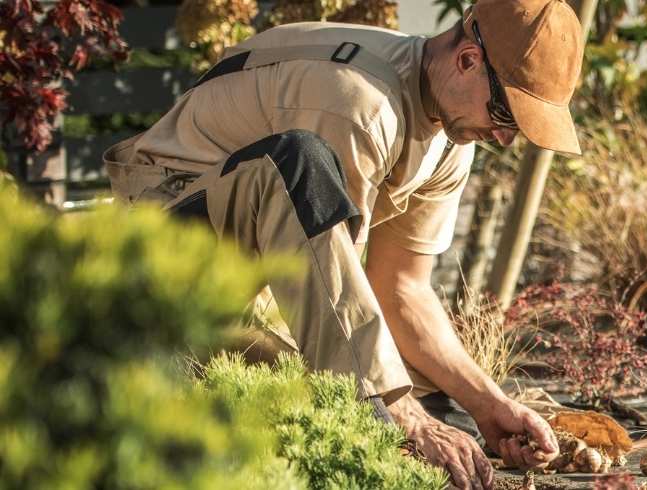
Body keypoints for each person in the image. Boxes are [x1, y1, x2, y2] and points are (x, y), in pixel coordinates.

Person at [101, 0, 584, 488]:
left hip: (257, 286)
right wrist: (402, 413)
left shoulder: (449, 137)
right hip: (162, 259)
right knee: (299, 167)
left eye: (518, 129)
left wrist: (487, 403)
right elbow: (333, 289)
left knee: (432, 407)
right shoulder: (360, 102)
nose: (503, 137)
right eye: (505, 111)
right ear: (467, 59)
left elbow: (401, 290)